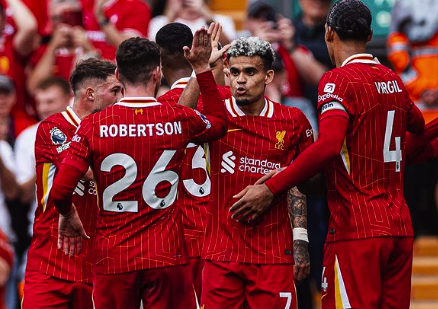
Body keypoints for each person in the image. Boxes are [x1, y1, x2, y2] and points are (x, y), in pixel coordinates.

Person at [230, 1, 426, 309]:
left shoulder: (338, 80)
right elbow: (417, 125)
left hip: (356, 227)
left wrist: (272, 186)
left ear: (328, 33)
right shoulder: (393, 79)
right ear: (370, 34)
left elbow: (329, 145)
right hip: (399, 226)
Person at [50, 32, 228, 309]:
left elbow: (61, 189)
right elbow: (219, 124)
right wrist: (203, 69)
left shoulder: (93, 126)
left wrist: (69, 214)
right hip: (166, 255)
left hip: (114, 257)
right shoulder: (177, 117)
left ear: (118, 74)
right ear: (157, 74)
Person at [196, 36, 313, 309]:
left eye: (250, 72)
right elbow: (175, 120)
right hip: (221, 253)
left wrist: (300, 239)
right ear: (226, 73)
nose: (241, 80)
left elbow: (310, 183)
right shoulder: (214, 113)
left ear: (268, 75)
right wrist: (199, 69)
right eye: (234, 72)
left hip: (273, 255)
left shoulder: (292, 120)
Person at [22, 58, 123, 309]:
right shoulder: (54, 127)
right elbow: (83, 170)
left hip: (96, 266)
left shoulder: (112, 131)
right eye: (115, 91)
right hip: (50, 263)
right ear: (90, 94)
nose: (121, 99)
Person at [155, 21, 229, 301]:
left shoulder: (157, 113)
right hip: (226, 235)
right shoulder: (228, 101)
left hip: (178, 237)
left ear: (159, 62)